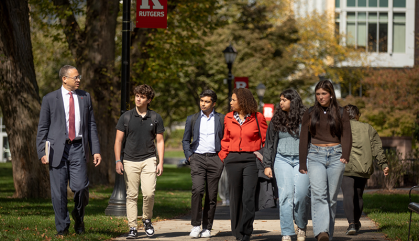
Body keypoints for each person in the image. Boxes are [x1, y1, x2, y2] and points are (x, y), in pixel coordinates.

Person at [36, 65, 102, 237]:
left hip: (78, 148)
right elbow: (42, 128)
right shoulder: (50, 98)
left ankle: (79, 217)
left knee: (80, 188)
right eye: (75, 77)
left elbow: (91, 125)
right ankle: (62, 228)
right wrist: (42, 152)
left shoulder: (85, 97)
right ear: (64, 79)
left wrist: (95, 149)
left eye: (79, 76)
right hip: (56, 150)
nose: (79, 79)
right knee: (58, 192)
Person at [299, 80, 352, 241]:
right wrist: (302, 162)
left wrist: (345, 155)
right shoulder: (309, 112)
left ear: (331, 94)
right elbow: (303, 138)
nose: (321, 97)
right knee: (319, 194)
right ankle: (321, 232)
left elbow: (347, 135)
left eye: (324, 94)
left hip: (336, 156)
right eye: (318, 94)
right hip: (315, 155)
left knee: (331, 197)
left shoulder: (341, 112)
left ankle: (327, 233)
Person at [114, 84, 165, 239]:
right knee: (132, 195)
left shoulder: (155, 118)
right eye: (137, 95)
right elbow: (118, 140)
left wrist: (160, 162)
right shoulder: (126, 117)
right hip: (129, 160)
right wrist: (118, 160)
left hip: (149, 159)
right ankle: (132, 228)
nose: (138, 98)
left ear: (149, 100)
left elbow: (160, 141)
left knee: (149, 193)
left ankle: (147, 219)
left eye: (142, 97)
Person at [219, 88, 268, 241]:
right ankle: (237, 231)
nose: (230, 102)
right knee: (235, 197)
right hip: (232, 160)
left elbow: (266, 140)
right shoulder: (228, 117)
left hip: (250, 160)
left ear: (242, 101)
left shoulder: (257, 117)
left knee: (248, 196)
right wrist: (224, 156)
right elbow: (225, 139)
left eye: (233, 100)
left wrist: (262, 155)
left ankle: (246, 230)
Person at [263, 89, 309, 241]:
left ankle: (301, 226)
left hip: (302, 160)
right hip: (282, 160)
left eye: (284, 100)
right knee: (285, 196)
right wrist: (267, 164)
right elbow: (269, 142)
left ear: (293, 101)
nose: (280, 102)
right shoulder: (277, 118)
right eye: (280, 99)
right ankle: (287, 232)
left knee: (301, 195)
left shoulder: (306, 117)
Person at [182, 89, 225, 238]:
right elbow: (185, 139)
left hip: (215, 159)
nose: (203, 104)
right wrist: (189, 156)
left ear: (213, 103)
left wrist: (222, 158)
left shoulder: (221, 119)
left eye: (207, 102)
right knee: (198, 190)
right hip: (197, 159)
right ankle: (195, 225)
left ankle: (207, 227)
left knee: (212, 195)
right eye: (202, 101)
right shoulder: (192, 119)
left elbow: (226, 139)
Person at [341, 104, 389, 235]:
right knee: (358, 195)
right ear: (357, 115)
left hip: (345, 166)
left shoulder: (339, 127)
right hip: (364, 167)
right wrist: (383, 164)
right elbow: (377, 147)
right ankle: (356, 222)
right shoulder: (368, 128)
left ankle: (351, 224)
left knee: (348, 195)